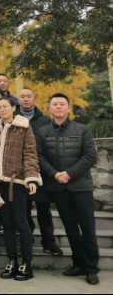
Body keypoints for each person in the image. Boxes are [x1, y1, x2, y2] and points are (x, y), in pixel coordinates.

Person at [37, 93, 100, 286]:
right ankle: (78, 263)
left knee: (88, 229)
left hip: (81, 188)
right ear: (49, 108)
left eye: (62, 104)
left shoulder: (82, 129)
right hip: (58, 188)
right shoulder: (43, 132)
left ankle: (91, 269)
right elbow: (39, 157)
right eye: (54, 104)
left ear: (68, 108)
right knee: (71, 229)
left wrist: (69, 174)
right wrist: (54, 174)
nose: (58, 106)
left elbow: (90, 156)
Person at [0, 97, 41, 281]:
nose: (2, 109)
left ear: (14, 108)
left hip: (18, 183)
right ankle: (12, 260)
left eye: (6, 106)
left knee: (22, 223)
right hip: (0, 183)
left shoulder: (24, 127)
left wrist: (32, 178)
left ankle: (27, 263)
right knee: (7, 225)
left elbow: (30, 153)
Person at [18, 88, 62, 257]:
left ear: (34, 99)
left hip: (41, 169)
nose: (26, 99)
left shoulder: (45, 120)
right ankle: (26, 240)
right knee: (24, 208)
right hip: (20, 170)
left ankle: (49, 242)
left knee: (44, 208)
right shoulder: (13, 118)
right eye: (22, 96)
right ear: (18, 100)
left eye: (29, 96)